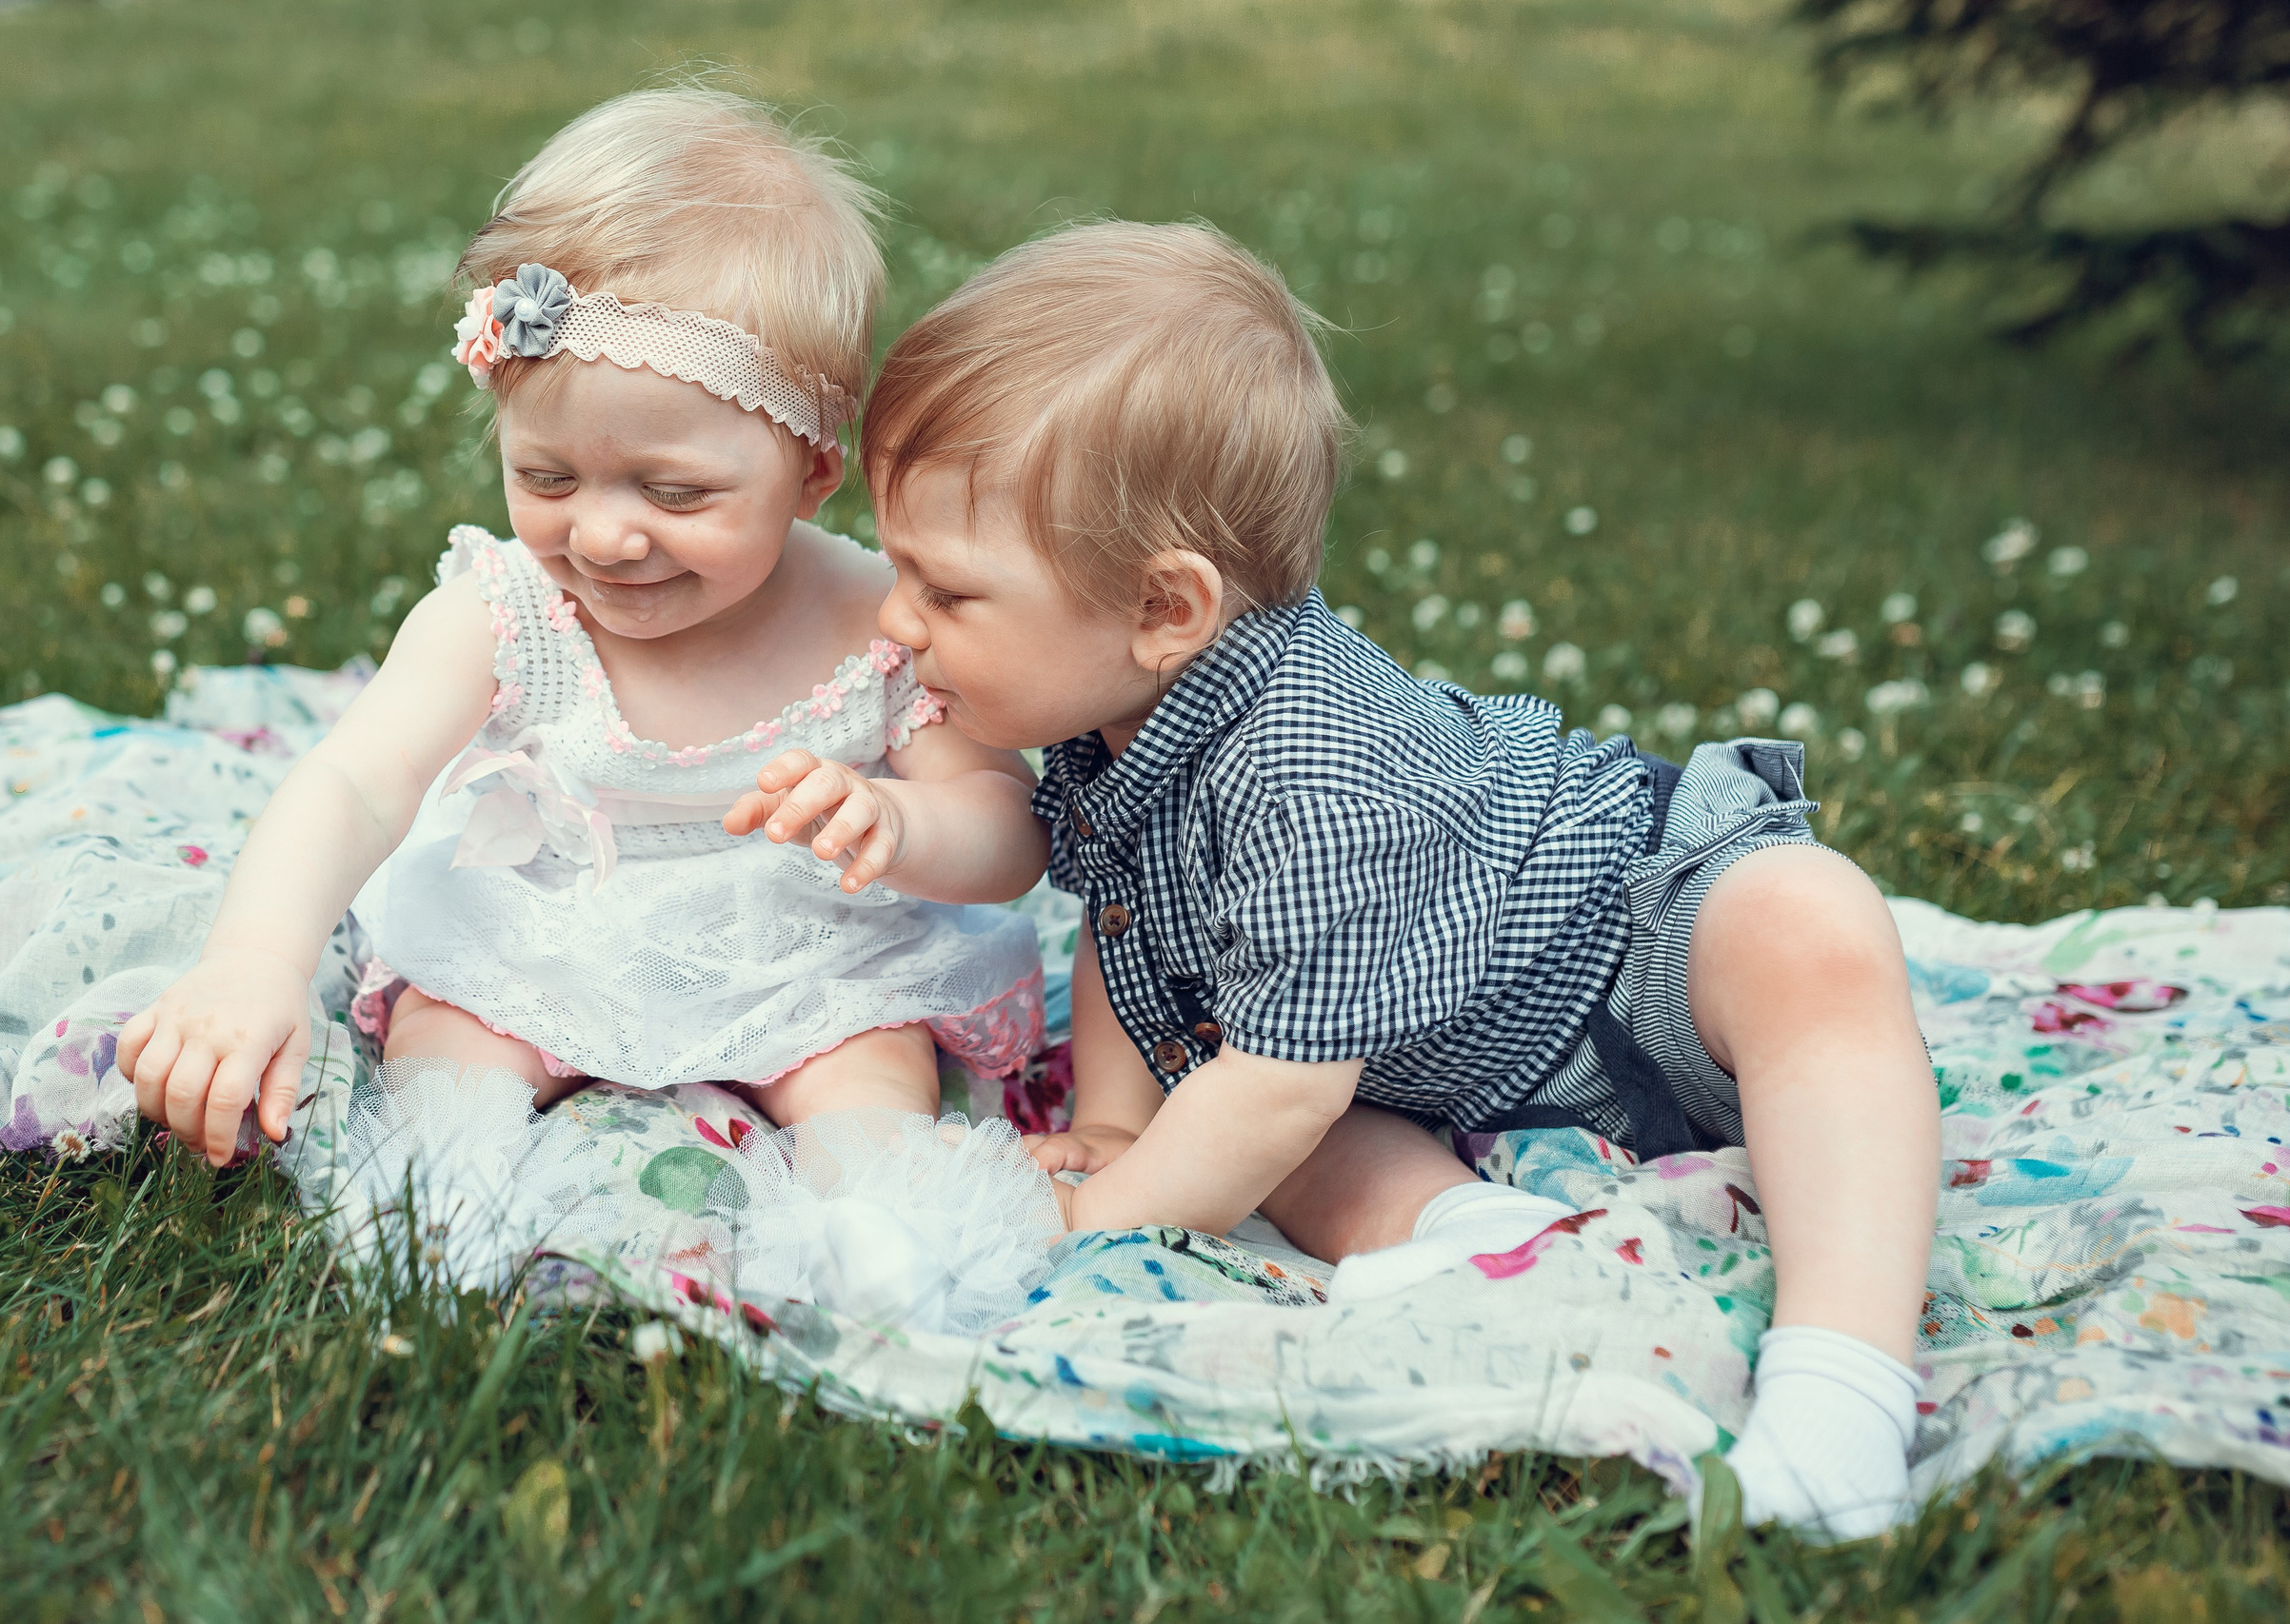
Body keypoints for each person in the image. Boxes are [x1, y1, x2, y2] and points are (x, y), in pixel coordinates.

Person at [815, 220, 1942, 1538]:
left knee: (1811, 927)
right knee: (1238, 1127)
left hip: (1632, 940)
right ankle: (1466, 1242)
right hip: (1405, 1057)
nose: (896, 620)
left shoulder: (1310, 771)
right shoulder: (1109, 713)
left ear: (1166, 608)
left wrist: (1092, 1212)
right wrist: (1124, 1130)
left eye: (942, 591)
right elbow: (1126, 921)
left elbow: (1282, 1077)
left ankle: (1846, 1384)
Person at [118, 88, 1049, 1171]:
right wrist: (254, 958)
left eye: (675, 493)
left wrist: (899, 821)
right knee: (454, 1044)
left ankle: (882, 1240)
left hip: (804, 950)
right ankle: (434, 1218)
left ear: (812, 471)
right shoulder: (505, 610)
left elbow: (1009, 827)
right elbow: (355, 783)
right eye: (547, 476)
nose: (605, 536)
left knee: (870, 1064)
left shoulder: (876, 619)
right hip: (543, 928)